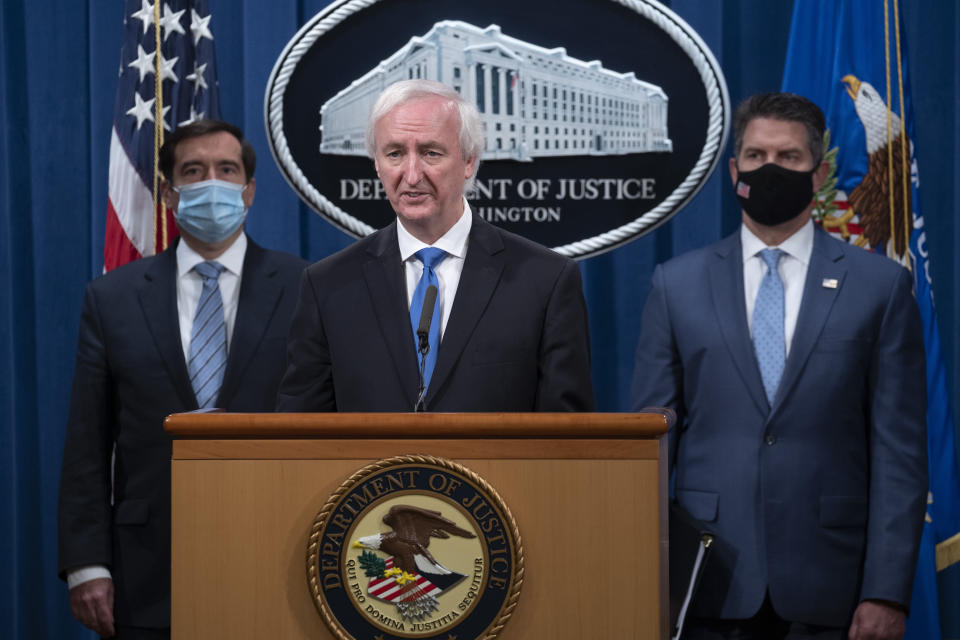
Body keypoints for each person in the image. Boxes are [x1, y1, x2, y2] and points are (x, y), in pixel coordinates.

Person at [631, 93, 926, 639]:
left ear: (818, 174)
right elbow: (650, 444)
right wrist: (639, 578)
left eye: (788, 158)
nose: (770, 169)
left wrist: (886, 590)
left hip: (832, 586)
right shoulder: (676, 285)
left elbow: (899, 452)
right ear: (733, 170)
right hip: (708, 583)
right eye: (756, 156)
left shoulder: (880, 288)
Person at [58, 119, 307, 639]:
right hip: (146, 571)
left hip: (281, 553)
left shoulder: (307, 288)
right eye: (193, 172)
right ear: (169, 194)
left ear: (250, 190)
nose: (210, 182)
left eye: (226, 170)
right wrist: (86, 563)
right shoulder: (113, 299)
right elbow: (88, 441)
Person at [277, 79, 593, 412]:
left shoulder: (545, 281)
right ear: (376, 164)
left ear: (469, 161)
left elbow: (568, 440)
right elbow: (299, 437)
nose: (412, 175)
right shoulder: (328, 286)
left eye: (430, 153)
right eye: (395, 154)